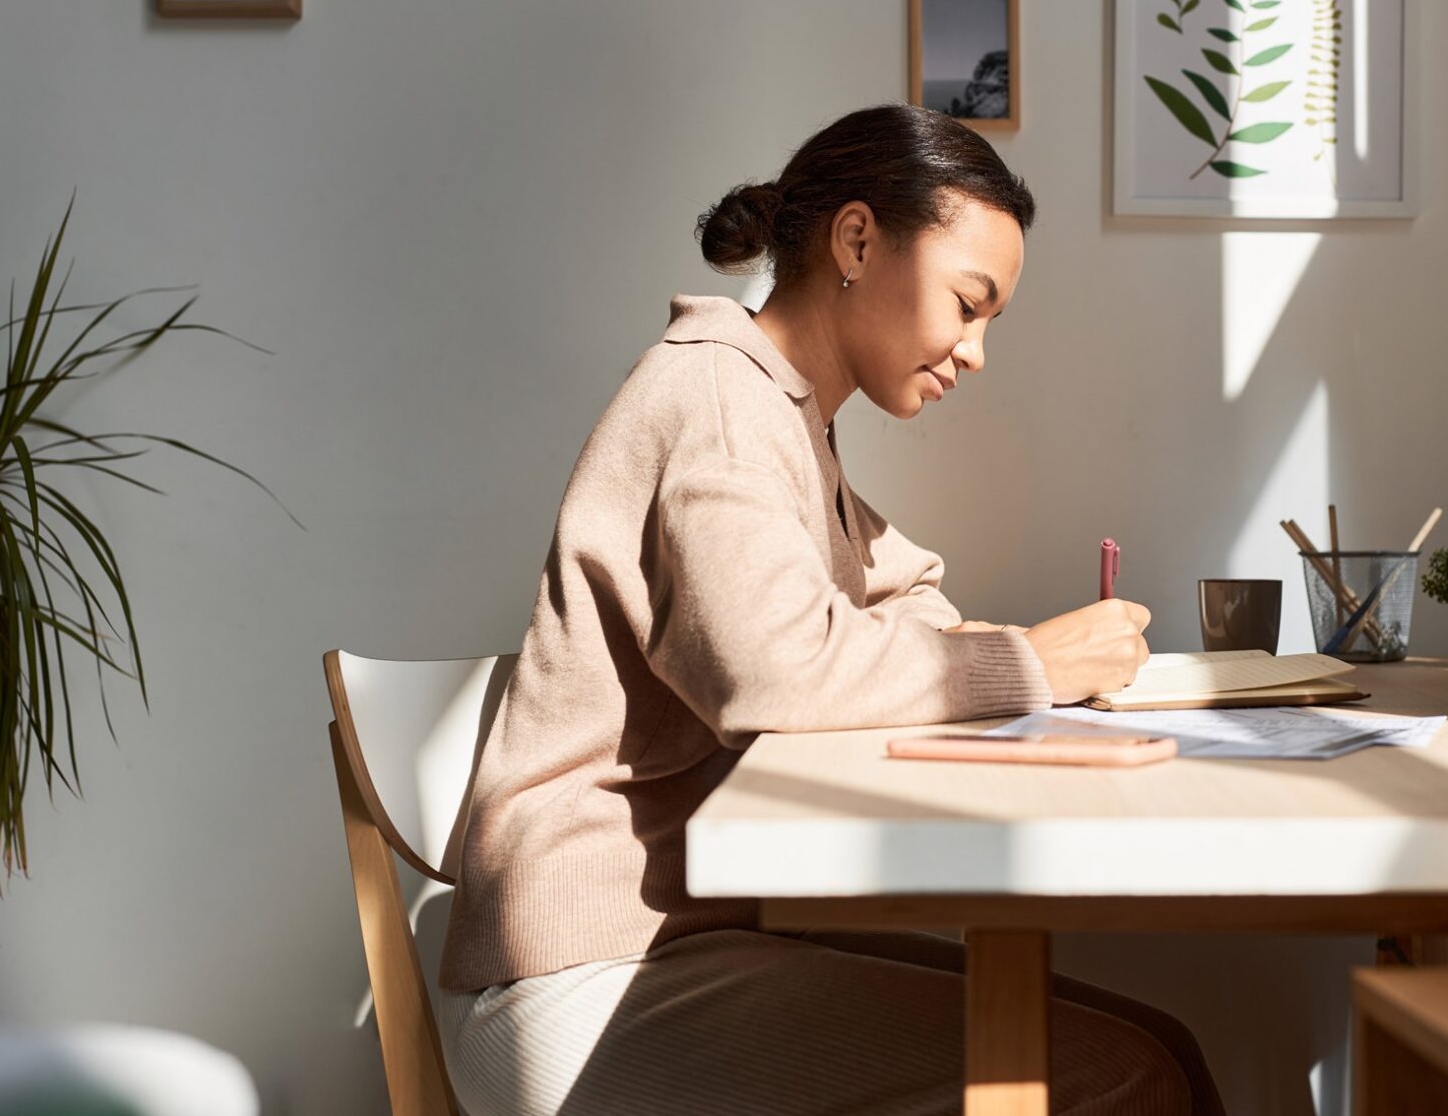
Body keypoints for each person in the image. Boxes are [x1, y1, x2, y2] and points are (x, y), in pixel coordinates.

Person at [435, 103, 1226, 1115]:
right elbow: (773, 671)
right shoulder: (719, 398)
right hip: (581, 975)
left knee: (1158, 1045)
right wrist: (1029, 664)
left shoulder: (784, 415)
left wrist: (998, 651)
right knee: (1129, 1077)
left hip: (672, 934)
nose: (976, 352)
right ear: (857, 241)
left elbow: (908, 595)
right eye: (968, 303)